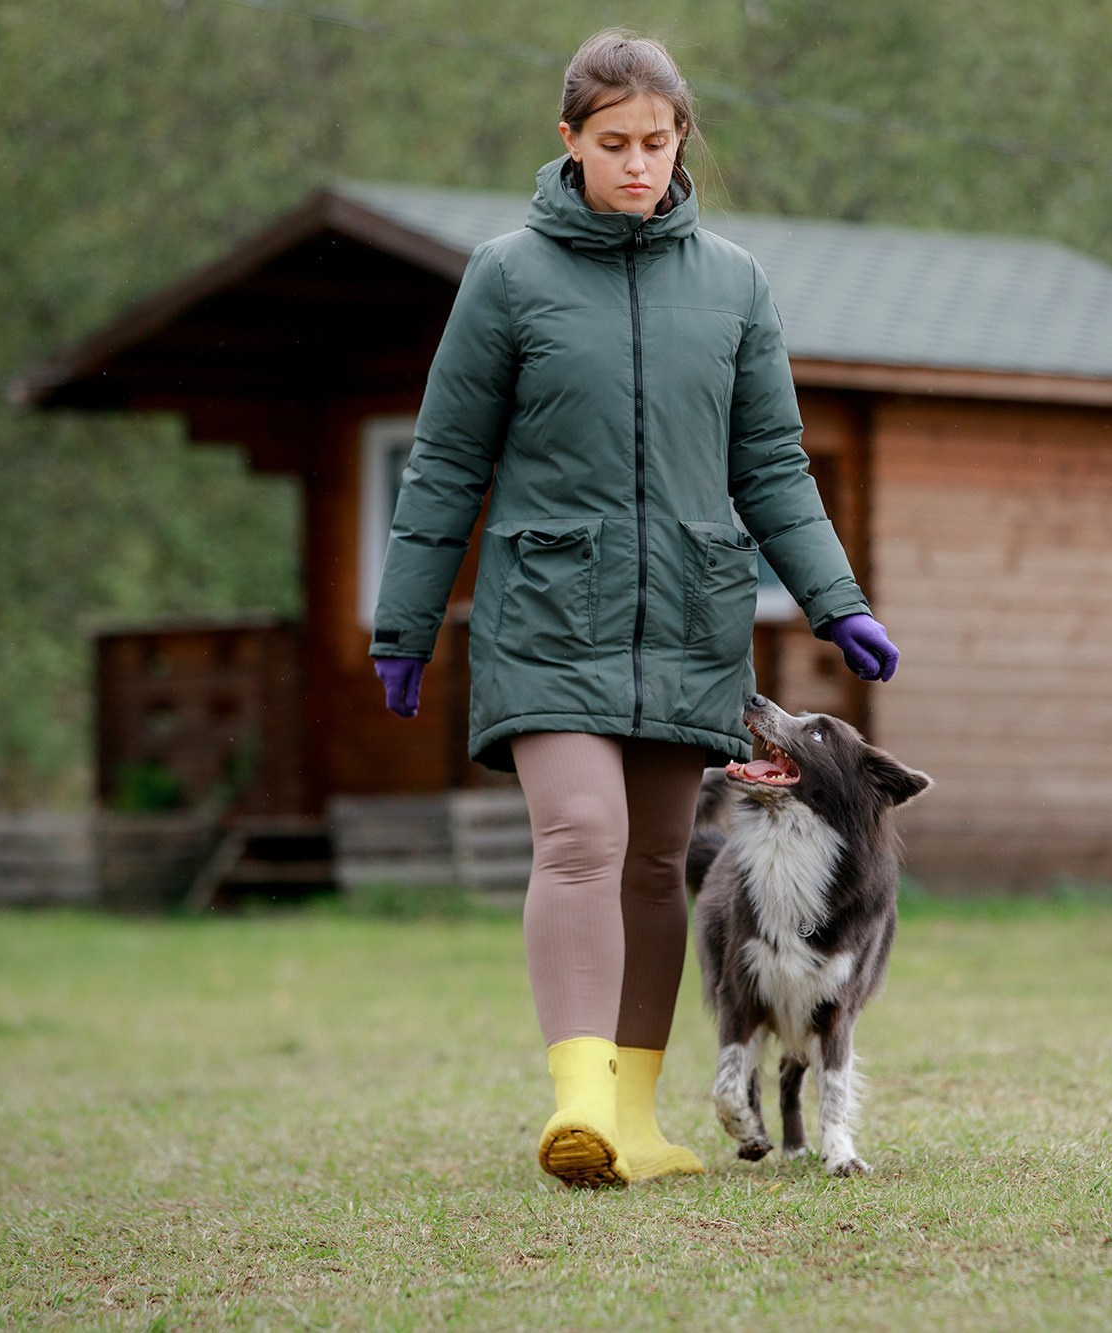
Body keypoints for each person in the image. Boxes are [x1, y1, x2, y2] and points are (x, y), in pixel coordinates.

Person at [368, 29, 900, 1189]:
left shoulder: (735, 285)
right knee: (579, 838)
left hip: (688, 619)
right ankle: (578, 1108)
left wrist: (834, 600)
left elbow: (769, 464)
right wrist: (403, 620)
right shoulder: (505, 276)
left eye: (656, 142)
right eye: (612, 144)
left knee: (659, 862)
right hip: (547, 611)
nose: (638, 164)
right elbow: (447, 462)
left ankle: (637, 1115)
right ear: (568, 143)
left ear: (680, 142)